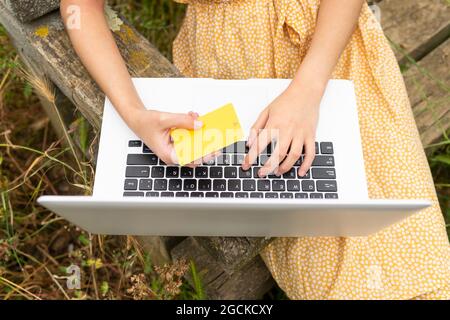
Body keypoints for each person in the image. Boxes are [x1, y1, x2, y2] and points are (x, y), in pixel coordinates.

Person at [61, 0, 450, 299]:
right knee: (328, 272)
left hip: (328, 48)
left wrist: (306, 91)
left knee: (417, 257)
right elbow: (77, 6)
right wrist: (134, 112)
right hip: (229, 71)